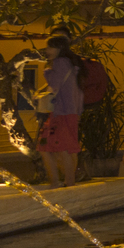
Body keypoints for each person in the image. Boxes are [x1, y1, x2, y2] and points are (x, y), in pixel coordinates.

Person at [38, 36, 84, 188]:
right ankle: (65, 182)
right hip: (69, 112)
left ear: (59, 48)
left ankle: (60, 182)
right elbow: (77, 91)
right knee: (61, 147)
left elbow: (54, 85)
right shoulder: (71, 64)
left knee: (54, 147)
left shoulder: (60, 63)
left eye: (50, 47)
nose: (47, 50)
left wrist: (47, 72)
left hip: (61, 112)